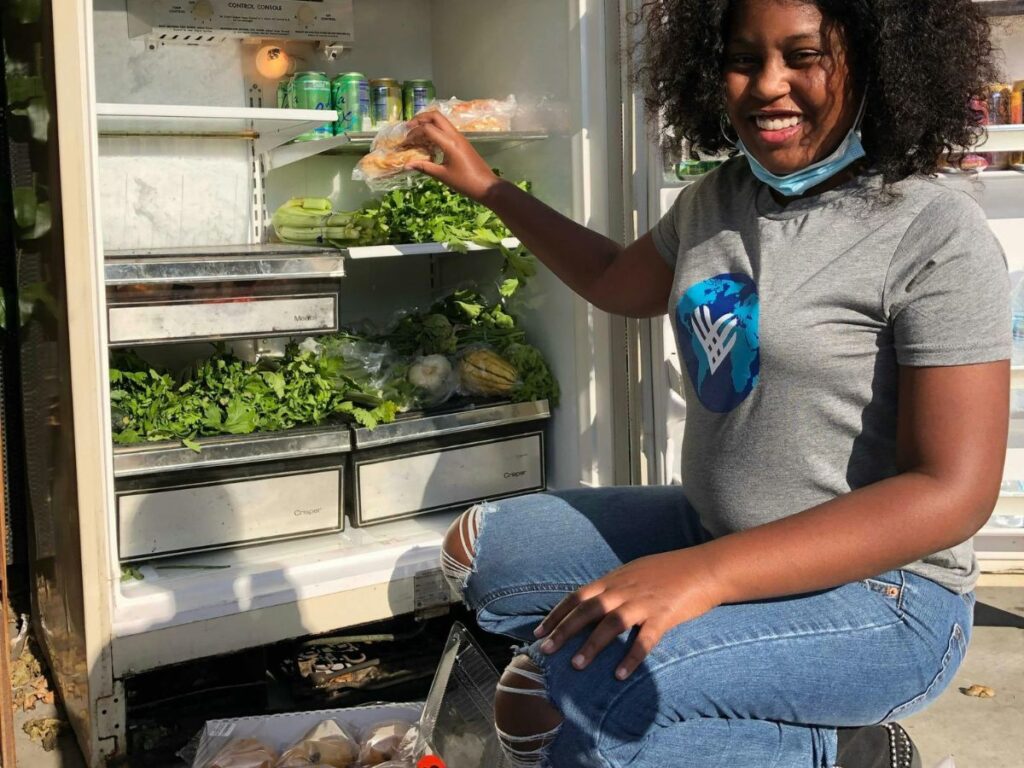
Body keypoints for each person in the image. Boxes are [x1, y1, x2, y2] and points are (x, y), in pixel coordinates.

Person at [408, 0, 1009, 766]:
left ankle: (851, 753)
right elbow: (614, 280)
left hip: (889, 598)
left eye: (803, 56)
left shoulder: (932, 232)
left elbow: (952, 491)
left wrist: (705, 577)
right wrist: (490, 187)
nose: (768, 84)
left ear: (874, 61)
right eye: (742, 58)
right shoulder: (717, 199)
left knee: (576, 709)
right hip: (718, 531)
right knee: (481, 552)